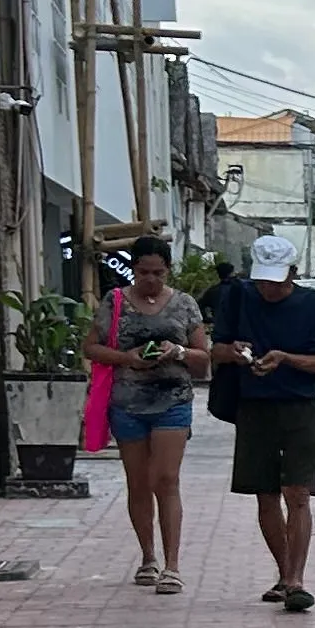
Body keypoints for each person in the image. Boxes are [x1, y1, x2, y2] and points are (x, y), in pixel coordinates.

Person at [220, 232, 315, 612]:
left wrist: (285, 358)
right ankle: (285, 575)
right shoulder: (238, 297)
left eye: (276, 280)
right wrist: (235, 352)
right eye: (262, 281)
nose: (268, 289)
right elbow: (216, 347)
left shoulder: (313, 305)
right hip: (254, 405)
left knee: (297, 492)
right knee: (265, 492)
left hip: (299, 406)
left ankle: (296, 578)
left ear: (293, 273)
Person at [97, 232, 206, 593]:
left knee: (166, 480)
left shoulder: (185, 304)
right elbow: (91, 346)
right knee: (139, 482)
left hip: (172, 401)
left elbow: (203, 357)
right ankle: (147, 556)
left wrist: (176, 352)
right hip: (127, 402)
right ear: (133, 269)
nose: (151, 280)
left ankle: (173, 565)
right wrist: (127, 358)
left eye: (158, 273)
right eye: (144, 272)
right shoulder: (114, 302)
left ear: (168, 271)